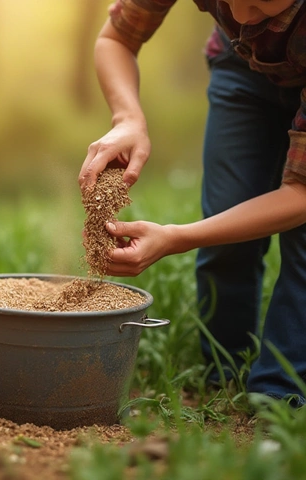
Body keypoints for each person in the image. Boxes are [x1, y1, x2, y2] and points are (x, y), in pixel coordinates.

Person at [79, 0, 306, 405]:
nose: (238, 16)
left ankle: (280, 399)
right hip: (242, 73)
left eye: (258, 3)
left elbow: (302, 195)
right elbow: (117, 37)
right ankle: (223, 376)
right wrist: (127, 117)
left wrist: (176, 238)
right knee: (226, 223)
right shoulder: (240, 20)